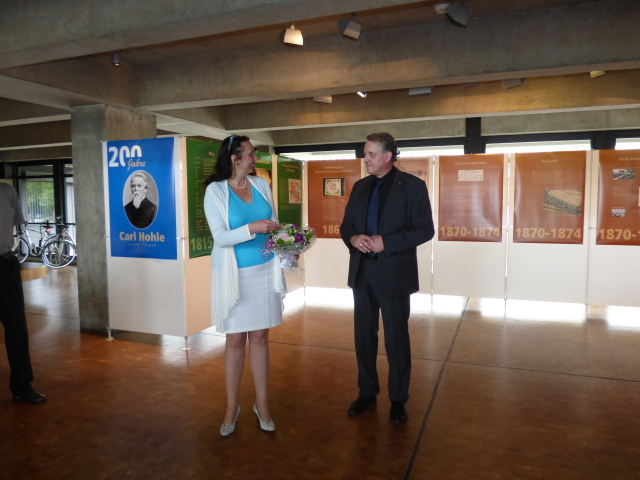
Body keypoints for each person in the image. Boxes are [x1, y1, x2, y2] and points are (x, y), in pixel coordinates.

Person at [340, 133, 434, 424]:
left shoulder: (413, 187)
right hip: (362, 272)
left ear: (387, 156)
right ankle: (367, 393)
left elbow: (424, 230)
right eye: (365, 154)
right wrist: (354, 237)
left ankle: (398, 399)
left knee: (396, 339)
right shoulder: (359, 187)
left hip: (394, 274)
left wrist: (387, 242)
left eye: (370, 154)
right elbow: (346, 226)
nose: (365, 159)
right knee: (363, 338)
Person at [203, 135, 285, 437]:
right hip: (235, 275)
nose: (255, 159)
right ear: (235, 158)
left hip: (265, 271)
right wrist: (251, 228)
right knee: (236, 341)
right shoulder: (216, 191)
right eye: (250, 154)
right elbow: (221, 237)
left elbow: (273, 227)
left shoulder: (262, 185)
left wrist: (289, 244)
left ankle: (262, 404)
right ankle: (231, 406)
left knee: (261, 338)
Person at [0, 182, 46, 404]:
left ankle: (22, 386)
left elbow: (14, 224)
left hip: (5, 265)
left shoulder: (7, 191)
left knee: (17, 328)